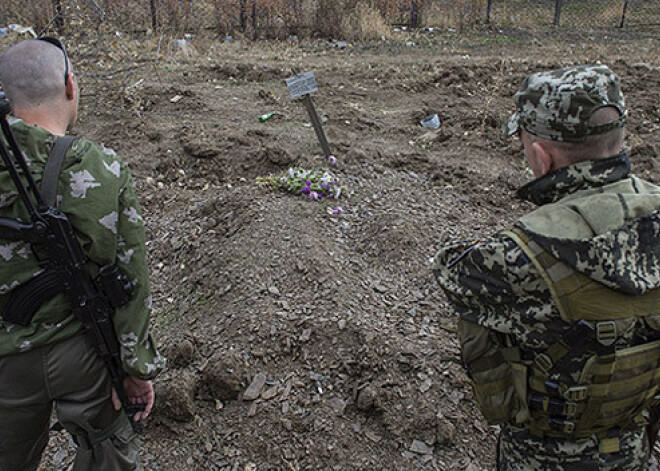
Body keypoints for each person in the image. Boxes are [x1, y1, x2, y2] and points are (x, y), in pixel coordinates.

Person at [434, 64, 660, 470]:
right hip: (635, 449)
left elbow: (451, 273)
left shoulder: (514, 255)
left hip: (540, 458)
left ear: (541, 157)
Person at [0, 38, 165, 470]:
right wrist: (136, 368)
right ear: (71, 86)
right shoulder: (102, 167)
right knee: (108, 449)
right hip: (83, 351)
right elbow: (132, 279)